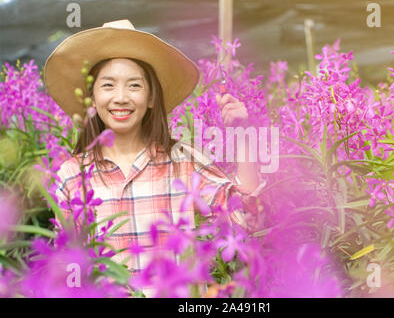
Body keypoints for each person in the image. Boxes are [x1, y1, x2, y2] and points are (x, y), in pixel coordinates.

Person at [44, 19, 266, 297]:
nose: (121, 97)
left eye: (134, 85)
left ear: (151, 98)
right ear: (92, 97)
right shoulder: (71, 174)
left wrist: (242, 135)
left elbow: (246, 220)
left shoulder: (184, 161)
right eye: (108, 85)